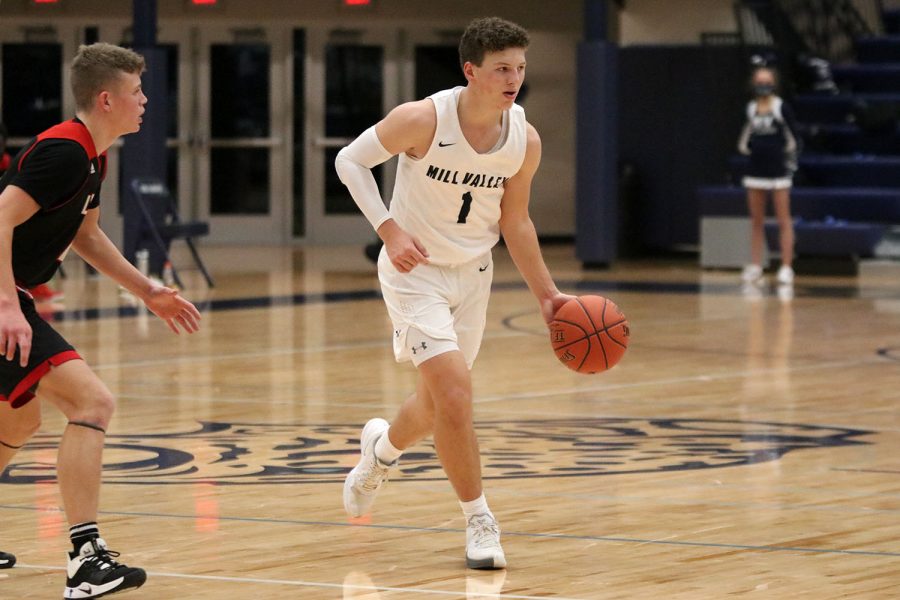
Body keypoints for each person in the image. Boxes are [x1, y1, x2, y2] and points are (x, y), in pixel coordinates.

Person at [335, 16, 573, 569]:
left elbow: (516, 222)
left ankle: (381, 451)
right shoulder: (424, 118)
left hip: (474, 277)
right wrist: (388, 230)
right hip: (414, 273)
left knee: (439, 403)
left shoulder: (524, 138)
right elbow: (350, 161)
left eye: (519, 68)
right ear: (471, 70)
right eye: (501, 69)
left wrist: (548, 296)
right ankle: (480, 520)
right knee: (457, 396)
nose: (513, 79)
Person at [0, 43, 202, 598]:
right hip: (1, 294)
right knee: (93, 403)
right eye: (137, 93)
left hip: (12, 293)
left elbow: (84, 235)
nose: (144, 102)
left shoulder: (94, 156)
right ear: (107, 98)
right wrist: (5, 305)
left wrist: (149, 291)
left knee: (18, 423)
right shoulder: (64, 151)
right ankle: (85, 561)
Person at [737, 66, 799, 286]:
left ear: (774, 83)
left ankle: (786, 266)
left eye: (767, 81)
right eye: (759, 81)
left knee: (783, 219)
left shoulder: (781, 108)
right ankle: (755, 265)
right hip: (756, 170)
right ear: (753, 84)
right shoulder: (751, 109)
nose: (763, 85)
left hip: (778, 170)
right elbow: (745, 140)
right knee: (756, 220)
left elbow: (793, 138)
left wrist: (788, 161)